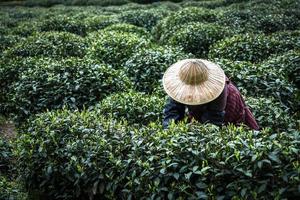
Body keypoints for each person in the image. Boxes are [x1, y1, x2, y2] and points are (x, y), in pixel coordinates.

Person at [162, 58, 259, 130]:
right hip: (204, 109)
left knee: (228, 133)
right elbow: (172, 111)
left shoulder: (220, 90)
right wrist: (169, 132)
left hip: (228, 106)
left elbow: (212, 122)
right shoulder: (179, 87)